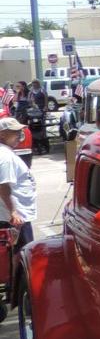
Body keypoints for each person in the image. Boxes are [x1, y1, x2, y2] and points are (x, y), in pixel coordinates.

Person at [0, 117, 38, 279]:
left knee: (17, 256)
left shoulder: (6, 153)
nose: (19, 135)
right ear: (2, 134)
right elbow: (3, 186)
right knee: (22, 256)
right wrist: (14, 212)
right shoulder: (5, 157)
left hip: (17, 215)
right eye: (15, 132)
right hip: (16, 218)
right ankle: (18, 288)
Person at [26, 81, 49, 155]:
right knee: (32, 125)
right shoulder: (31, 91)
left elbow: (46, 98)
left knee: (42, 125)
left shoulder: (42, 89)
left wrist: (45, 106)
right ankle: (35, 143)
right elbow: (29, 99)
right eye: (33, 83)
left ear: (38, 84)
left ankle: (43, 139)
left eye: (35, 83)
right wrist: (30, 103)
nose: (34, 85)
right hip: (33, 110)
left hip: (41, 109)